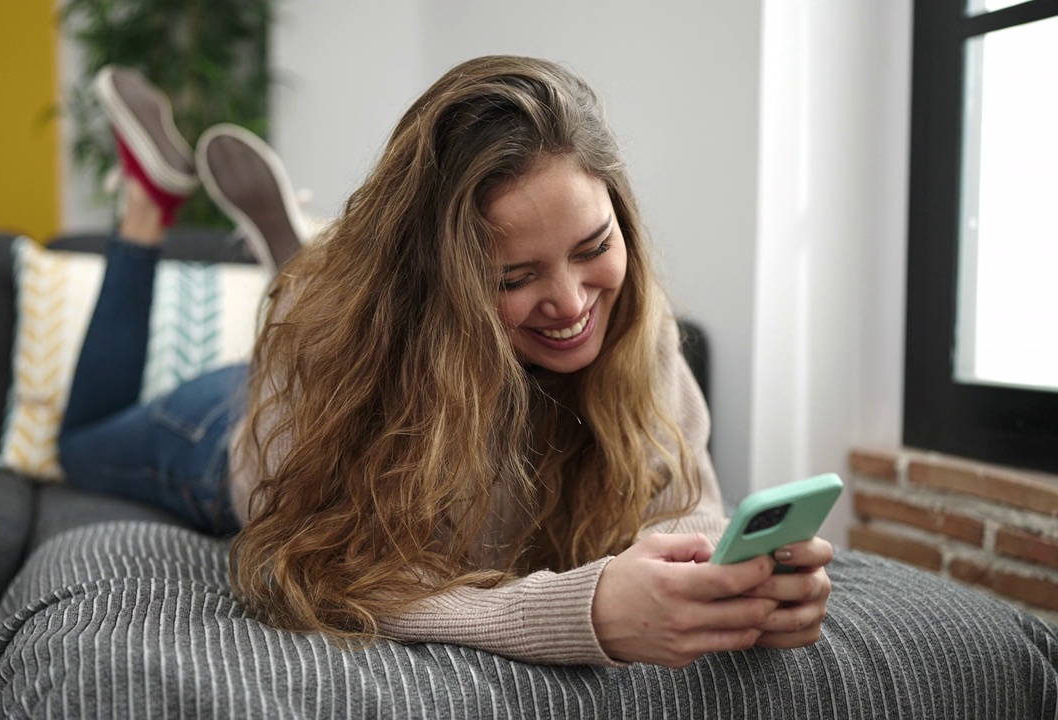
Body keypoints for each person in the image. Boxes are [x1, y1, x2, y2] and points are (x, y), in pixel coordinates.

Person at [59, 56, 831, 668]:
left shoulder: (633, 324)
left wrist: (735, 582)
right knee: (79, 442)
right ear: (434, 283)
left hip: (326, 350)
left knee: (325, 314)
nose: (571, 303)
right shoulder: (341, 359)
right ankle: (147, 207)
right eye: (514, 278)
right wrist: (581, 612)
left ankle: (310, 262)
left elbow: (689, 503)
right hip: (235, 430)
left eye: (594, 248)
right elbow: (313, 575)